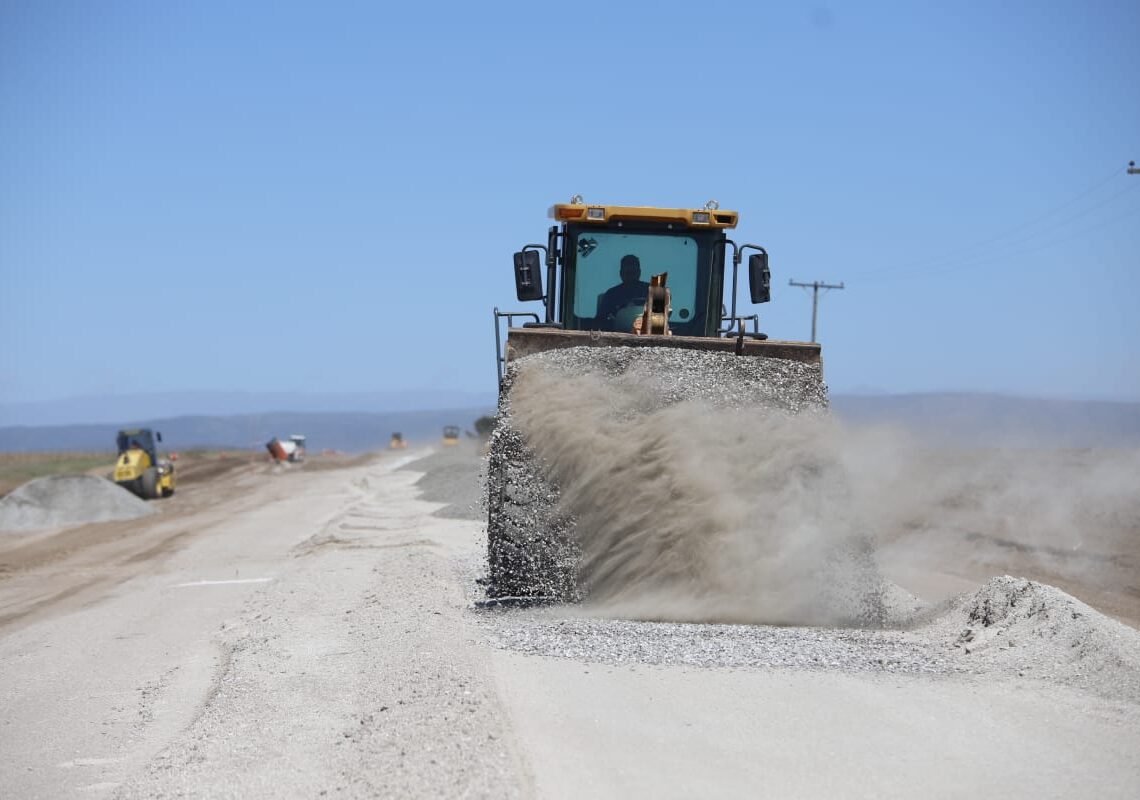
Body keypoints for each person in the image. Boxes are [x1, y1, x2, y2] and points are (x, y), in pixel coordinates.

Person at [596, 254, 650, 330]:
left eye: (633, 273)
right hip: (617, 335)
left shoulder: (651, 291)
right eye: (628, 273)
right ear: (621, 273)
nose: (630, 276)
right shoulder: (611, 295)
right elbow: (600, 322)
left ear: (639, 272)